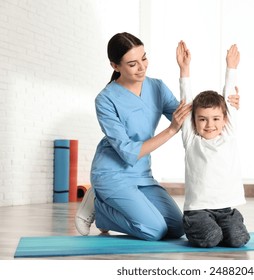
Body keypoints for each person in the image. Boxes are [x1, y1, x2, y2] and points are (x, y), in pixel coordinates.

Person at [74, 32, 240, 240]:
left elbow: (190, 119)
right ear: (115, 66)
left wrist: (224, 109)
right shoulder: (105, 100)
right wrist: (171, 130)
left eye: (144, 58)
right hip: (112, 174)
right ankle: (100, 208)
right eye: (133, 64)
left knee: (178, 228)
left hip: (142, 174)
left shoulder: (157, 87)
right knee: (154, 230)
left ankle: (112, 207)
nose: (142, 67)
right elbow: (128, 153)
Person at [176, 41, 250, 248]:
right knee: (211, 238)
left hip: (225, 209)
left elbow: (228, 101)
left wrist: (231, 68)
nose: (210, 125)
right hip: (197, 210)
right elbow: (187, 101)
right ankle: (200, 227)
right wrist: (184, 70)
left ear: (224, 120)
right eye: (202, 119)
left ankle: (224, 226)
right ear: (194, 121)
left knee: (238, 240)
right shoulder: (191, 140)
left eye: (216, 119)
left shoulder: (229, 133)